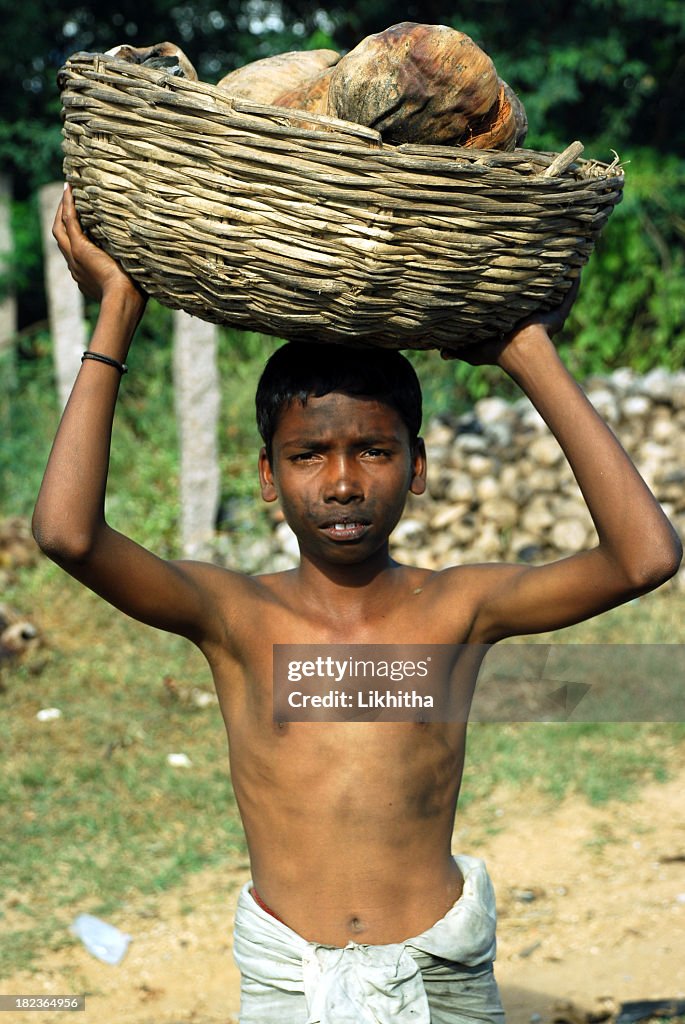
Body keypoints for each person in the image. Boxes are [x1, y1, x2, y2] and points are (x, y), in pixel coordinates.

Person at [34, 185, 681, 1024]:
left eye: (374, 450)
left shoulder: (459, 609)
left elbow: (644, 556)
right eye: (310, 454)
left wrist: (528, 353)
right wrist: (118, 315)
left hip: (439, 977)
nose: (342, 483)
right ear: (269, 477)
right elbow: (68, 535)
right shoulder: (234, 616)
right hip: (289, 984)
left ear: (416, 466)